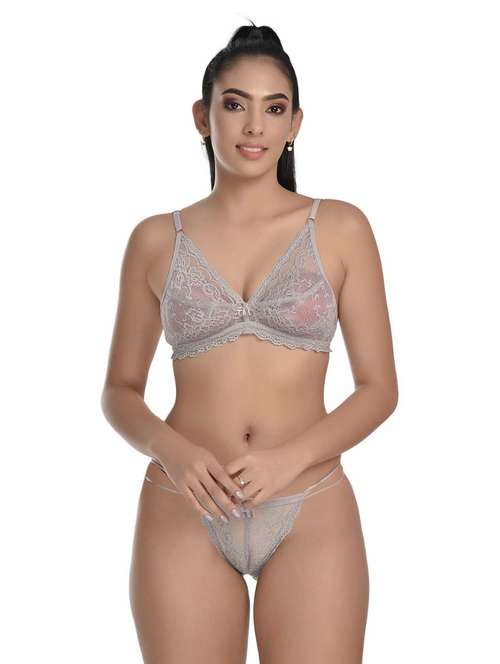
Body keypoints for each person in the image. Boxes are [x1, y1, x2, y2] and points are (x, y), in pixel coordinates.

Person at [101, 21, 398, 664]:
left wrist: (288, 460)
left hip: (310, 505)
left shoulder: (341, 228)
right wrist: (173, 451)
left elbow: (379, 390)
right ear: (202, 117)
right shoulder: (155, 240)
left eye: (274, 108)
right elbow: (119, 391)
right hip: (183, 505)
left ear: (295, 125)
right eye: (235, 105)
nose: (254, 125)